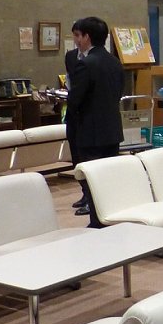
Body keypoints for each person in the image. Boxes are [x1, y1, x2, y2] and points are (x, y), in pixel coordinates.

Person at [66, 16, 124, 228]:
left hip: (90, 132)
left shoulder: (86, 64)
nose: (77, 41)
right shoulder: (115, 62)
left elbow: (75, 99)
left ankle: (97, 223)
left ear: (87, 37)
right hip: (112, 129)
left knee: (93, 180)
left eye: (78, 36)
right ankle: (112, 219)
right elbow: (118, 93)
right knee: (109, 179)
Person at [63, 38, 88, 212]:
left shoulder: (95, 59)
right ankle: (84, 193)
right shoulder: (71, 56)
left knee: (89, 159)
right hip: (73, 114)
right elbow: (70, 81)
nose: (77, 39)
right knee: (76, 158)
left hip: (88, 117)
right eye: (75, 35)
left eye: (80, 35)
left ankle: (91, 198)